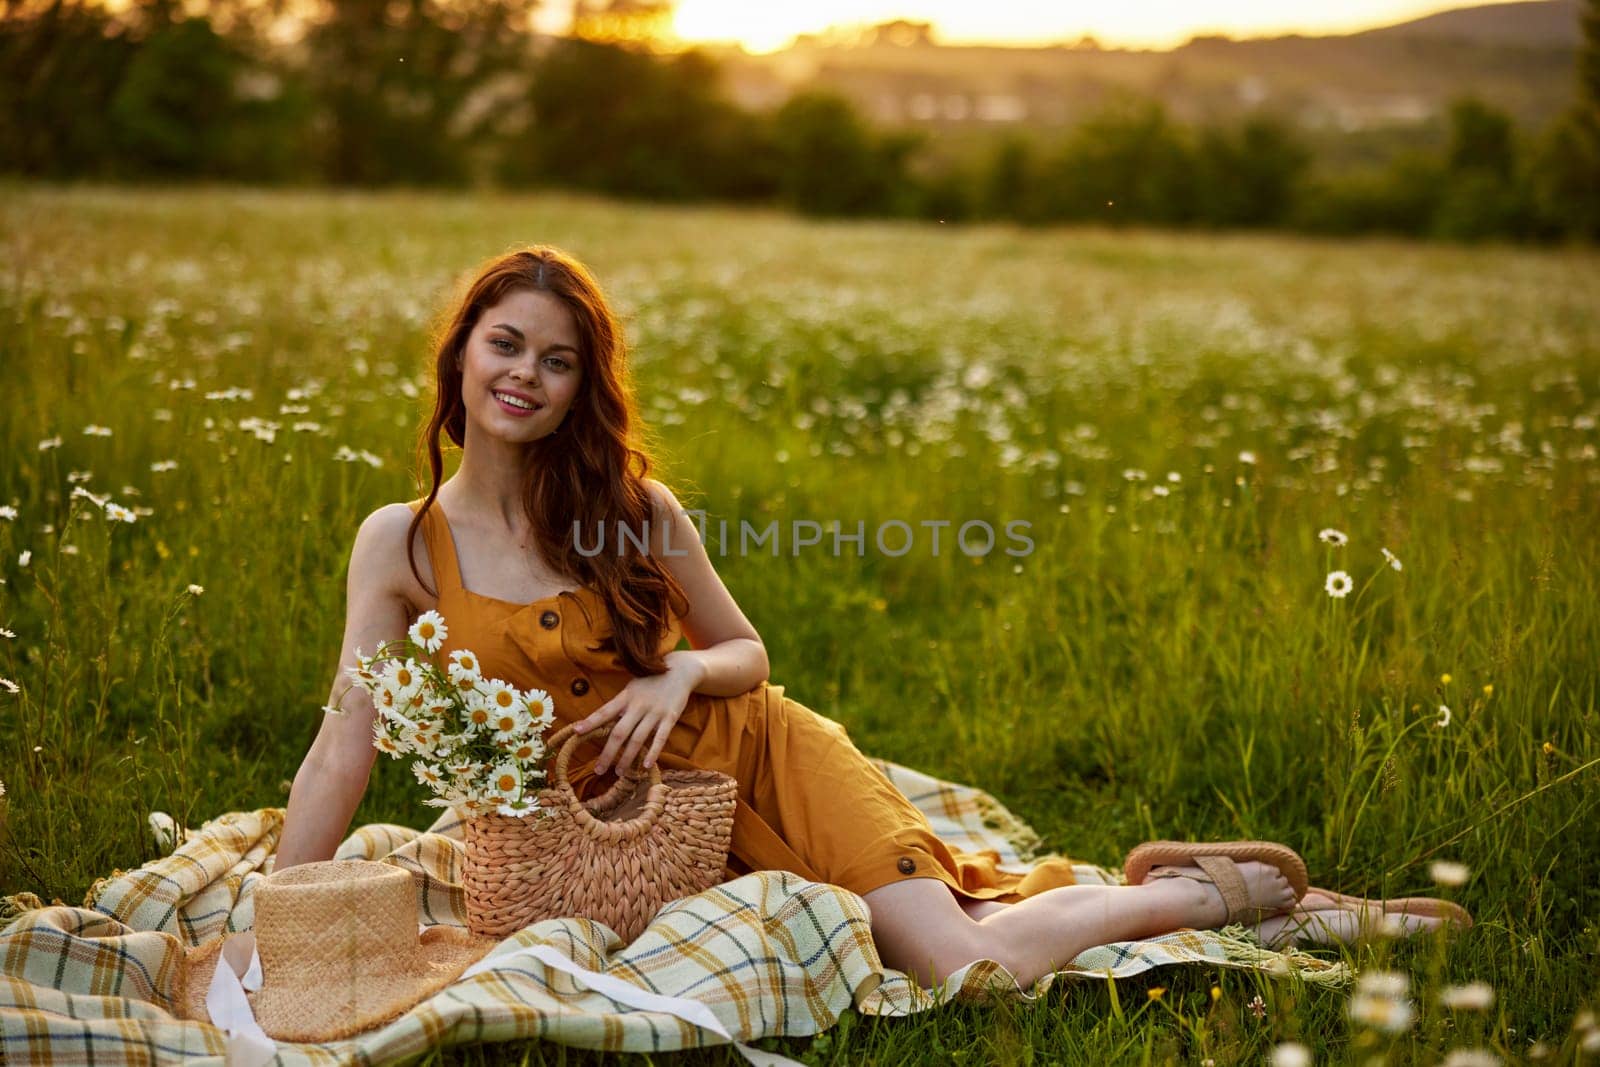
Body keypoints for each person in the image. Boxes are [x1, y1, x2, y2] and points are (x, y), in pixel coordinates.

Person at [274, 247, 1466, 991]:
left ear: (588, 385)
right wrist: (277, 909)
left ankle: (1216, 896)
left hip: (759, 760)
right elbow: (347, 735)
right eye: (506, 344)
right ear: (463, 355)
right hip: (640, 840)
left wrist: (678, 678)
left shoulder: (630, 506)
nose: (526, 374)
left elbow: (749, 653)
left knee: (967, 965)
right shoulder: (400, 543)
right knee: (960, 930)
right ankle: (1224, 897)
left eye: (561, 359)